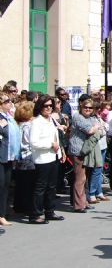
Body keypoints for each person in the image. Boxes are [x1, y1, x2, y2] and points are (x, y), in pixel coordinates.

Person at [29, 95, 65, 224]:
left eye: (51, 105)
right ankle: (36, 214)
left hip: (54, 156)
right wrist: (50, 145)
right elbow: (33, 142)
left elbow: (56, 137)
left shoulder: (51, 120)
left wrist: (60, 151)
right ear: (40, 107)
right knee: (41, 187)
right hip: (42, 159)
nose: (49, 108)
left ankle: (49, 211)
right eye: (46, 106)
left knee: (51, 187)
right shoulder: (37, 122)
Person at [67, 98, 101, 212]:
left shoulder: (91, 118)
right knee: (80, 178)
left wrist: (97, 126)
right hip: (78, 150)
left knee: (85, 178)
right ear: (81, 107)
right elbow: (90, 130)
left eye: (90, 108)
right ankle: (78, 205)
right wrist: (96, 126)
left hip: (87, 151)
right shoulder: (77, 117)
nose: (87, 109)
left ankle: (84, 201)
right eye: (85, 107)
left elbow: (102, 128)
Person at [0, 93, 21, 226]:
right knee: (1, 185)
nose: (10, 103)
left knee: (6, 185)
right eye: (6, 101)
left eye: (10, 101)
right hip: (1, 156)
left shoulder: (9, 117)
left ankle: (3, 211)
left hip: (8, 156)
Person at [13, 101, 36, 216]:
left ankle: (19, 205)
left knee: (21, 183)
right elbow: (30, 142)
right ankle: (27, 206)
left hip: (20, 157)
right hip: (28, 156)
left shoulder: (19, 124)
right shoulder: (28, 126)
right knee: (28, 183)